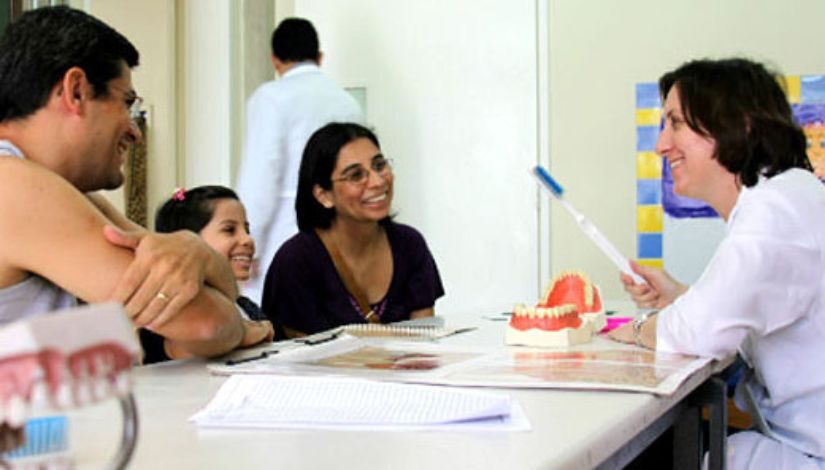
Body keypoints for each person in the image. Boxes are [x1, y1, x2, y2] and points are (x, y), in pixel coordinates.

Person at [0, 7, 270, 381]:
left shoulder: (63, 193)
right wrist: (241, 323)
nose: (135, 130)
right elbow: (206, 323)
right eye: (126, 103)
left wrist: (198, 254)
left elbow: (214, 303)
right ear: (75, 91)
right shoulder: (13, 187)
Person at [608, 58, 825, 469]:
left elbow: (697, 331)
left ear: (739, 124)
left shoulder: (774, 214)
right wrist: (678, 295)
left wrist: (629, 330)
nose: (660, 145)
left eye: (675, 123)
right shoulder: (792, 197)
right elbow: (747, 312)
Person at [262, 122, 444, 337]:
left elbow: (424, 343)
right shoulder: (297, 260)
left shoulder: (409, 244)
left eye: (379, 166)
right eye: (356, 175)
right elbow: (302, 359)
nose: (377, 181)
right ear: (324, 195)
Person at [235, 17, 364, 305]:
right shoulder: (347, 102)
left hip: (284, 233)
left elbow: (260, 178)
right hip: (342, 236)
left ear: (275, 60)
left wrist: (246, 244)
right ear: (319, 57)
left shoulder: (271, 97)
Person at [141, 186, 274, 363]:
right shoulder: (172, 314)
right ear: (186, 241)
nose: (247, 239)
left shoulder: (247, 307)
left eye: (246, 230)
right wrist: (254, 332)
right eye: (229, 230)